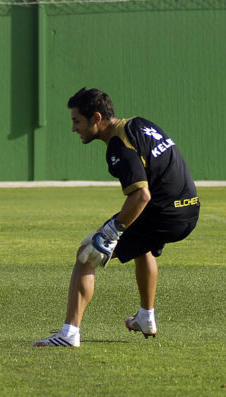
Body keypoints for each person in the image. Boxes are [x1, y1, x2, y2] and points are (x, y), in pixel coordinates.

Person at [34, 88, 200, 348]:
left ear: (96, 118)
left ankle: (69, 335)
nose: (73, 128)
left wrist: (111, 232)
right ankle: (146, 317)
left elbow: (141, 196)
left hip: (163, 212)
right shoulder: (138, 123)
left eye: (76, 121)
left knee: (87, 252)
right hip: (190, 209)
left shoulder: (119, 146)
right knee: (141, 245)